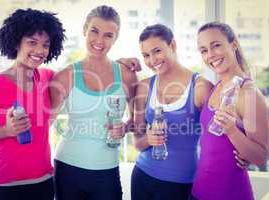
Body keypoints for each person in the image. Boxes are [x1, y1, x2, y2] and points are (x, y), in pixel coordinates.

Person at [0, 8, 66, 200]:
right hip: (7, 186)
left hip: (44, 181)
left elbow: (77, 73)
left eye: (46, 45)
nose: (40, 51)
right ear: (16, 43)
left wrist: (118, 64)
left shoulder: (47, 77)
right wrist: (5, 131)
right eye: (32, 42)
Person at [49, 5, 137, 200]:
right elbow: (45, 123)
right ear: (85, 30)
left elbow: (137, 121)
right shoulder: (66, 76)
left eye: (108, 35)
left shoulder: (127, 75)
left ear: (115, 38)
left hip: (107, 170)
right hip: (67, 167)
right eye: (94, 31)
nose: (99, 40)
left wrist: (125, 127)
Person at [131, 24, 213, 200]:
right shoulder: (145, 87)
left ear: (173, 46)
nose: (152, 60)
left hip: (181, 183)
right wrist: (148, 139)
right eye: (146, 55)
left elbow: (216, 137)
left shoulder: (201, 87)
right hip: (142, 177)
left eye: (157, 51)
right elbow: (137, 143)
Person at [190, 21, 269, 200]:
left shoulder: (249, 93)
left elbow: (260, 157)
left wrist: (232, 131)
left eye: (216, 45)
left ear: (233, 44)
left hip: (229, 194)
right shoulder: (216, 87)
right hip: (198, 192)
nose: (210, 55)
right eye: (203, 50)